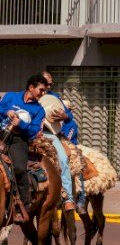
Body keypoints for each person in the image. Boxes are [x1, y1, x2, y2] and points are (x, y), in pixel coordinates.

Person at [0, 74, 48, 222]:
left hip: (18, 140)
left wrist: (20, 123)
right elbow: (0, 108)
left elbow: (34, 131)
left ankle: (23, 206)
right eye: (41, 90)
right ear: (31, 88)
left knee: (20, 169)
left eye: (44, 90)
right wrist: (6, 112)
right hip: (1, 133)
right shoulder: (11, 97)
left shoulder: (39, 110)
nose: (43, 93)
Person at [40, 71, 75, 211]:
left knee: (63, 159)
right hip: (29, 132)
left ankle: (68, 197)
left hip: (50, 133)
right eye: (46, 84)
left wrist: (65, 115)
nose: (48, 87)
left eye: (50, 84)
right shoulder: (28, 95)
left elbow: (70, 116)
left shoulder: (55, 97)